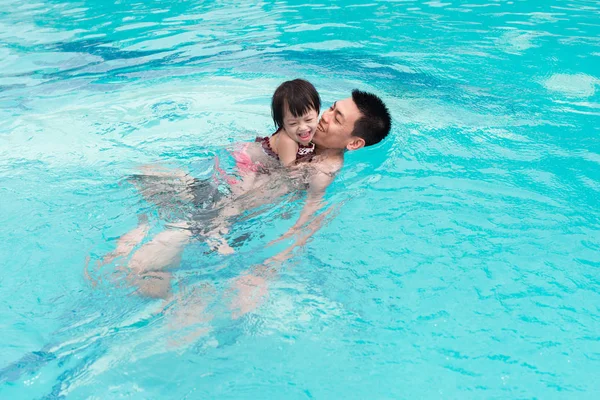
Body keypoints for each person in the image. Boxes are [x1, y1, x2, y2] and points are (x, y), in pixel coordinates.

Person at [88, 88, 392, 300]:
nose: (324, 116)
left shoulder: (323, 169)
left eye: (337, 119)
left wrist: (270, 268)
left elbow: (309, 220)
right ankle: (151, 247)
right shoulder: (306, 133)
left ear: (354, 143)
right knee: (137, 172)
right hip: (214, 184)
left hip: (224, 211)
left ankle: (166, 289)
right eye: (331, 108)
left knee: (133, 268)